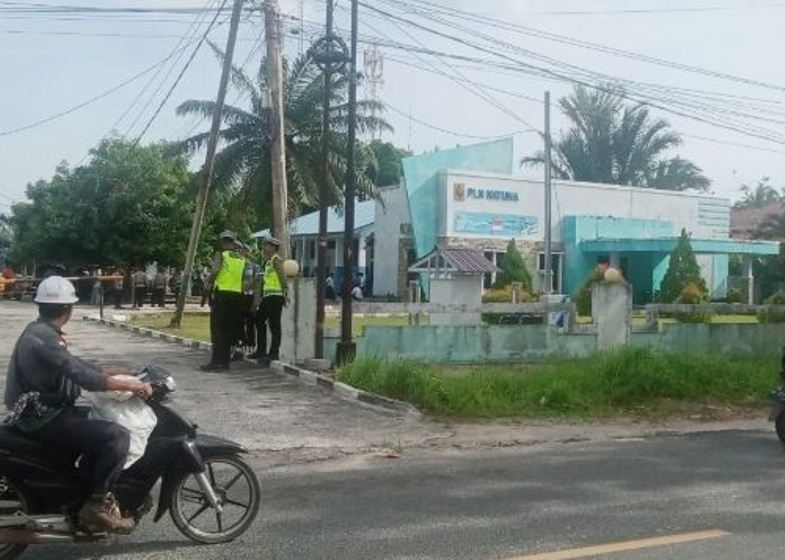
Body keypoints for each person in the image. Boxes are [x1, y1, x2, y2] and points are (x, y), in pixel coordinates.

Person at [4, 276, 153, 533]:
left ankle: (85, 489)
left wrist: (114, 371)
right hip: (42, 418)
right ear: (68, 309)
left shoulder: (40, 331)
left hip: (44, 413)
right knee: (117, 436)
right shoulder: (43, 337)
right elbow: (83, 377)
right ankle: (96, 505)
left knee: (99, 421)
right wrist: (131, 386)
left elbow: (72, 364)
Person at [202, 231, 247, 371]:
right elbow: (243, 278)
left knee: (217, 329)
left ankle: (216, 362)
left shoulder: (221, 255)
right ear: (233, 242)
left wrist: (208, 282)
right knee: (228, 330)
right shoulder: (242, 259)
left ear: (222, 242)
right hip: (236, 295)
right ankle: (225, 362)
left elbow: (215, 271)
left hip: (221, 294)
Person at [249, 236, 288, 362]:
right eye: (264, 245)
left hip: (276, 297)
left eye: (267, 245)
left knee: (274, 325)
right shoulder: (267, 262)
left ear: (273, 248)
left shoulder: (276, 260)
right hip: (268, 297)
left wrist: (285, 293)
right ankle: (261, 351)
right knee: (259, 320)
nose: (264, 248)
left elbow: (282, 277)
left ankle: (274, 353)